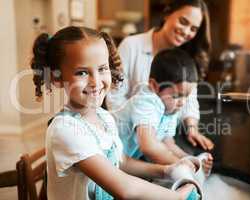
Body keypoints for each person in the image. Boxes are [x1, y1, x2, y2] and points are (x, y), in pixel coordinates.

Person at [31, 26, 203, 200]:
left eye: (102, 69)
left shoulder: (104, 117)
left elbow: (121, 161)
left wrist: (166, 170)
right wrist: (177, 197)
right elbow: (124, 188)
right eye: (82, 72)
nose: (96, 81)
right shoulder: (65, 129)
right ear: (57, 78)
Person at [106, 0, 214, 151]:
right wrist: (142, 127)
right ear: (168, 13)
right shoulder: (131, 45)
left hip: (164, 136)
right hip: (127, 135)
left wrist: (192, 128)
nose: (186, 31)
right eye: (183, 22)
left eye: (193, 29)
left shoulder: (186, 57)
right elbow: (115, 96)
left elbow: (189, 100)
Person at [114, 48, 213, 168]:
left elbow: (168, 143)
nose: (182, 102)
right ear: (154, 86)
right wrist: (181, 165)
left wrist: (191, 161)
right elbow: (148, 146)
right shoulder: (147, 100)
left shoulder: (171, 108)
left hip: (122, 161)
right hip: (104, 154)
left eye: (186, 96)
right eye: (176, 96)